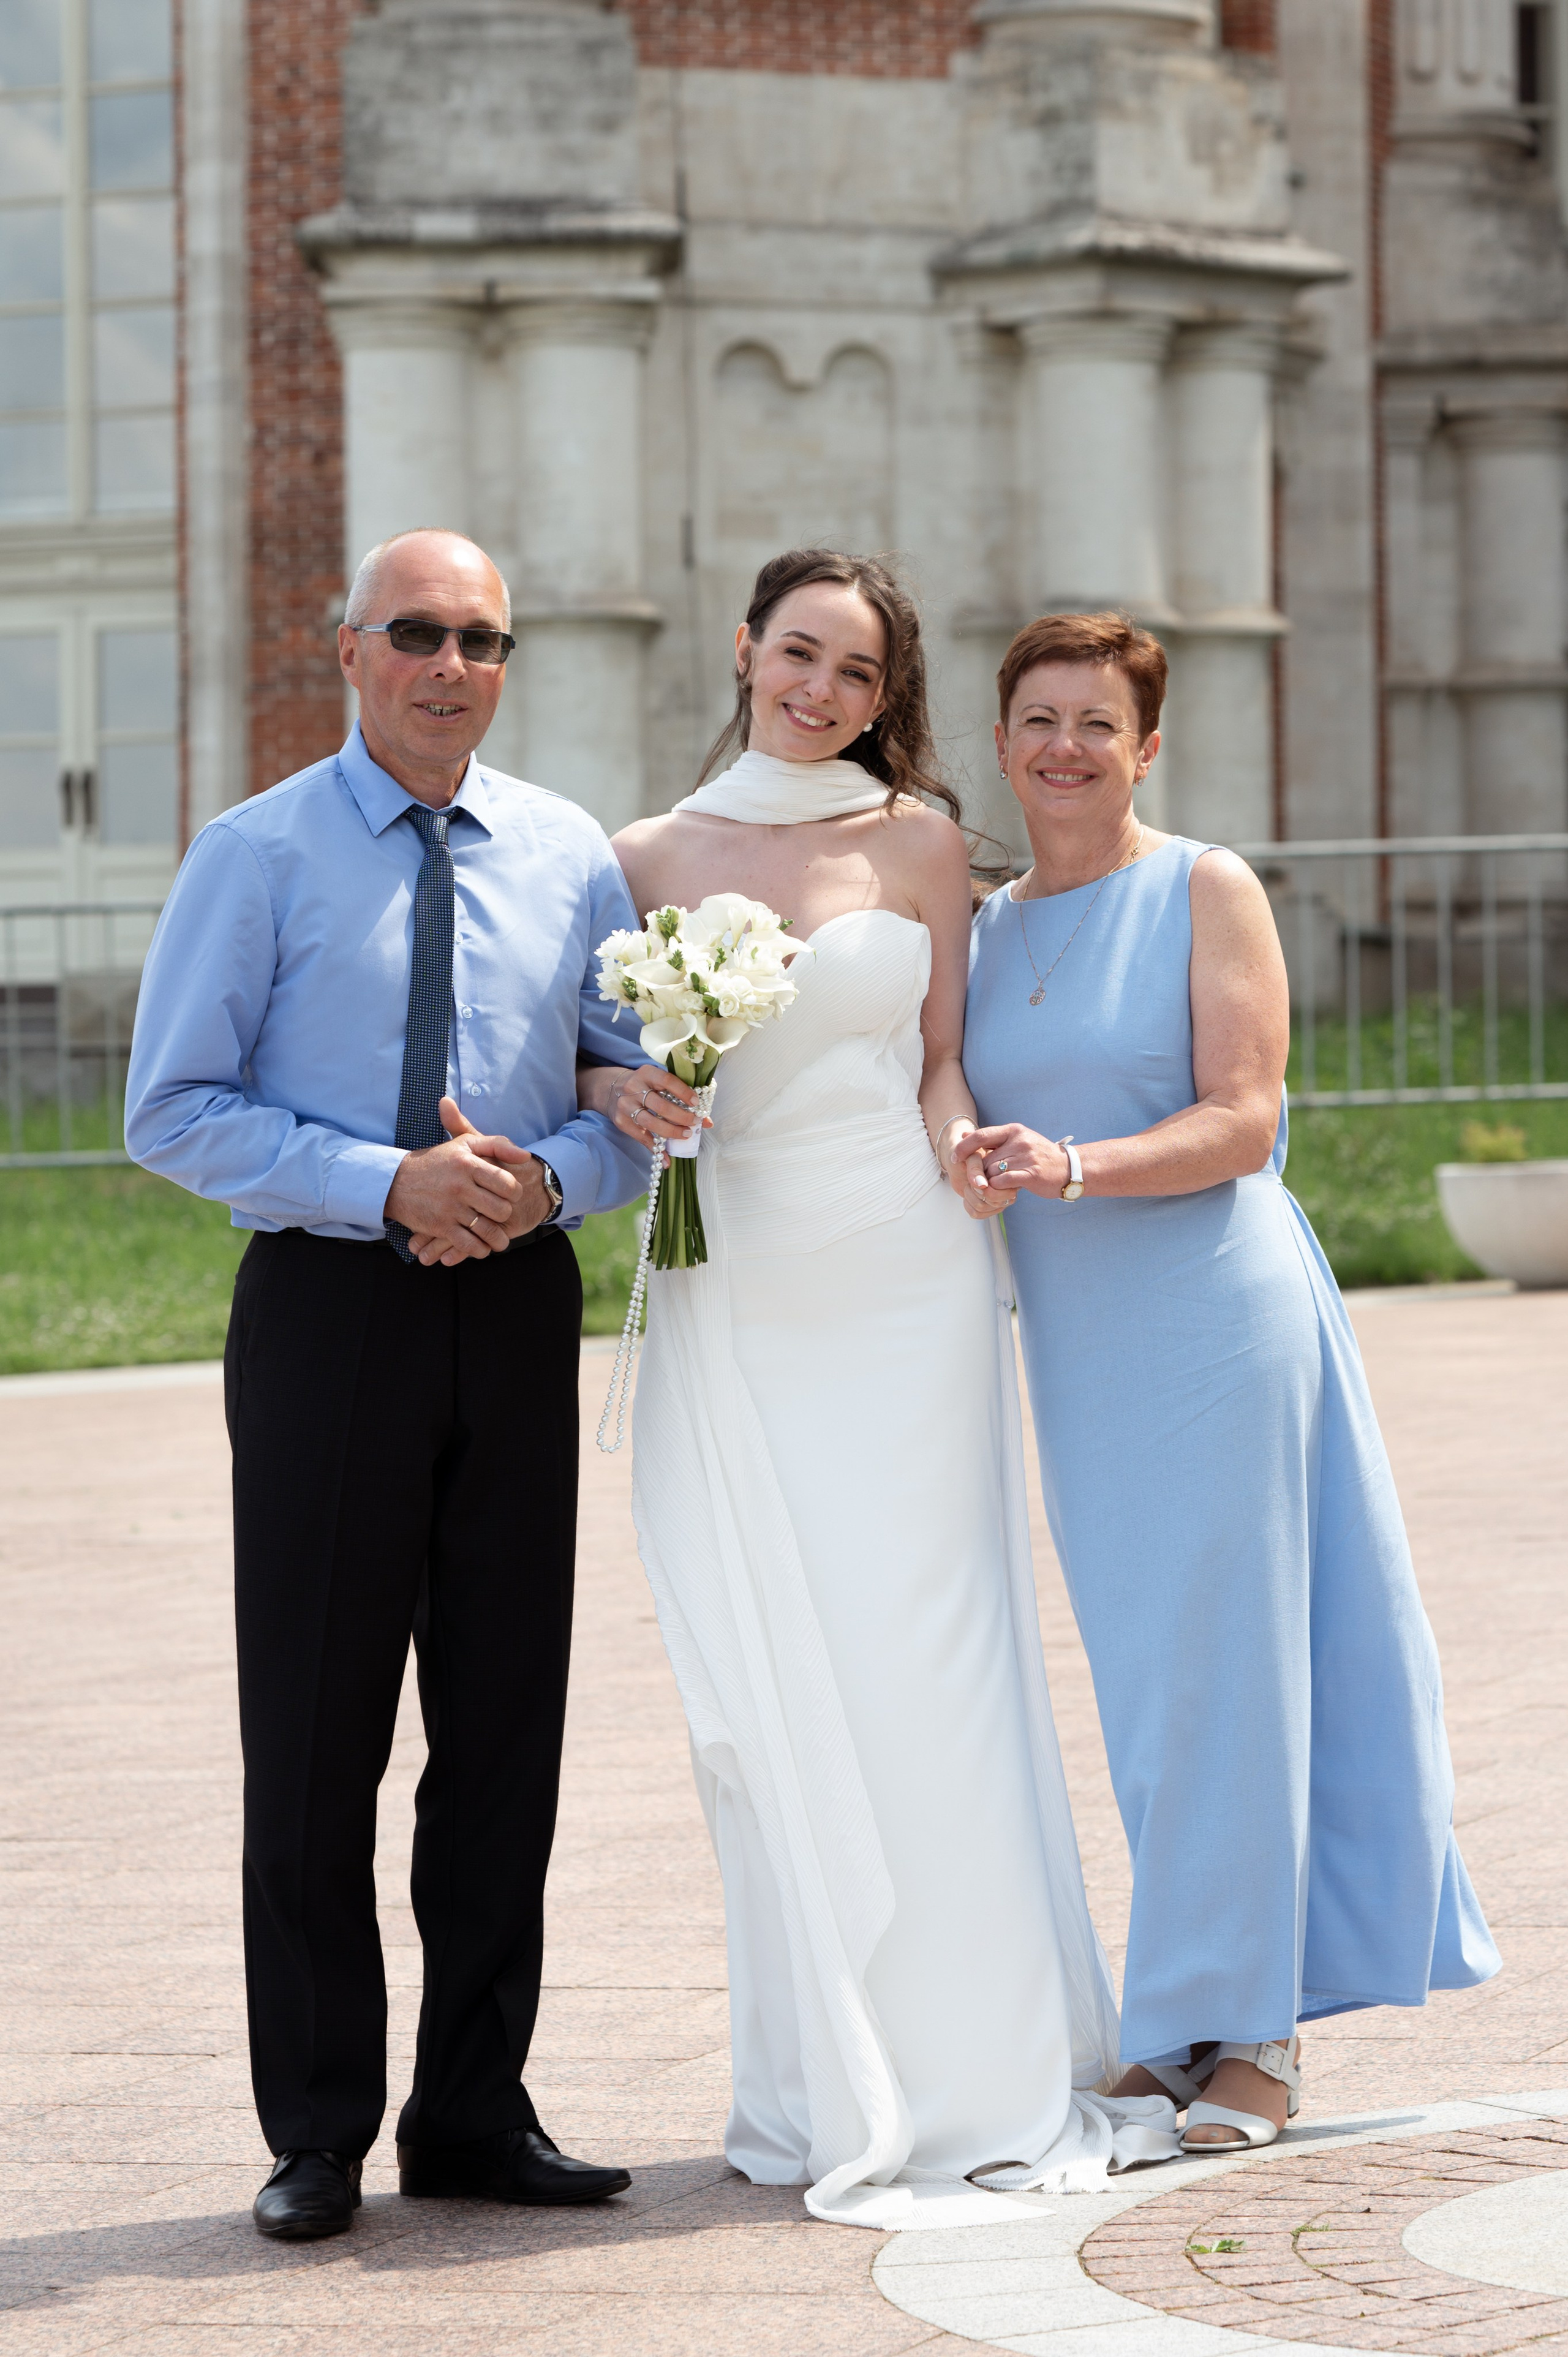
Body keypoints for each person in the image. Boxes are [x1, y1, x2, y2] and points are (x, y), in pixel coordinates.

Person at [576, 549, 1181, 2228]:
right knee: (764, 1678)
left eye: (855, 670)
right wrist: (632, 1095)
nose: (821, 690)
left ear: (884, 691)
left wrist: (974, 1167)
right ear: (749, 654)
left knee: (932, 1649)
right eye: (798, 655)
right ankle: (812, 2080)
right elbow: (587, 1058)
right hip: (733, 1281)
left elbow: (938, 1063)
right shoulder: (641, 859)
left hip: (903, 1283)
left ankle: (978, 2064)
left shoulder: (916, 841)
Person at [124, 529, 645, 2239]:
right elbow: (174, 1108)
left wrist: (548, 1184)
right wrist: (383, 1183)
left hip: (514, 1306)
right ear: (347, 650)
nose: (451, 665)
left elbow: (627, 1099)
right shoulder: (255, 852)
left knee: (504, 1733)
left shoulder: (572, 857)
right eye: (417, 633)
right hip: (328, 1315)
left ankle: (476, 2113)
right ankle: (320, 2130)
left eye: (483, 639)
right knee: (318, 1735)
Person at [956, 609, 1501, 2151]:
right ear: (1000, 745)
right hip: (1078, 1343)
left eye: (1098, 723)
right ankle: (1187, 2001)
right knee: (1151, 1684)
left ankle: (1247, 2032)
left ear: (1144, 746)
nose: (1067, 747)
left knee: (1238, 1667)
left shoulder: (1204, 886)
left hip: (1211, 1316)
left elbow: (1243, 1117)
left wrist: (1067, 1163)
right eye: (1040, 719)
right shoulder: (986, 929)